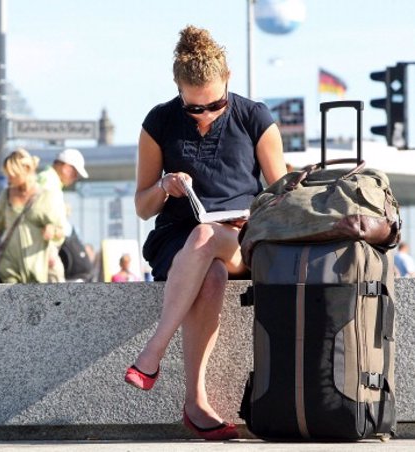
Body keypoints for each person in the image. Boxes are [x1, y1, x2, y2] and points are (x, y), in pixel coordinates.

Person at [124, 25, 286, 441]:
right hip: (176, 239)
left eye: (213, 104)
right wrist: (163, 186)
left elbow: (283, 197)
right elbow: (143, 207)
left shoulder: (255, 117)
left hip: (239, 240)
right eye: (194, 108)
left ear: (228, 80)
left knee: (207, 239)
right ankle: (196, 404)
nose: (205, 114)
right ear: (177, 87)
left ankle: (152, 354)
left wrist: (249, 217)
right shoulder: (159, 121)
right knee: (207, 269)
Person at [0, 148, 65, 283]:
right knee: (12, 299)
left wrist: (52, 230)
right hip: (9, 267)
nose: (9, 179)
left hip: (36, 269)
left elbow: (60, 232)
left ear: (26, 170)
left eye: (13, 174)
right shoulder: (6, 195)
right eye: (7, 174)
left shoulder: (46, 197)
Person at [37, 148, 89, 282]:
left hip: (46, 245)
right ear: (66, 168)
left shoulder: (50, 180)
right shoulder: (48, 181)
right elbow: (40, 214)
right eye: (75, 173)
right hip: (45, 245)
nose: (75, 178)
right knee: (57, 286)